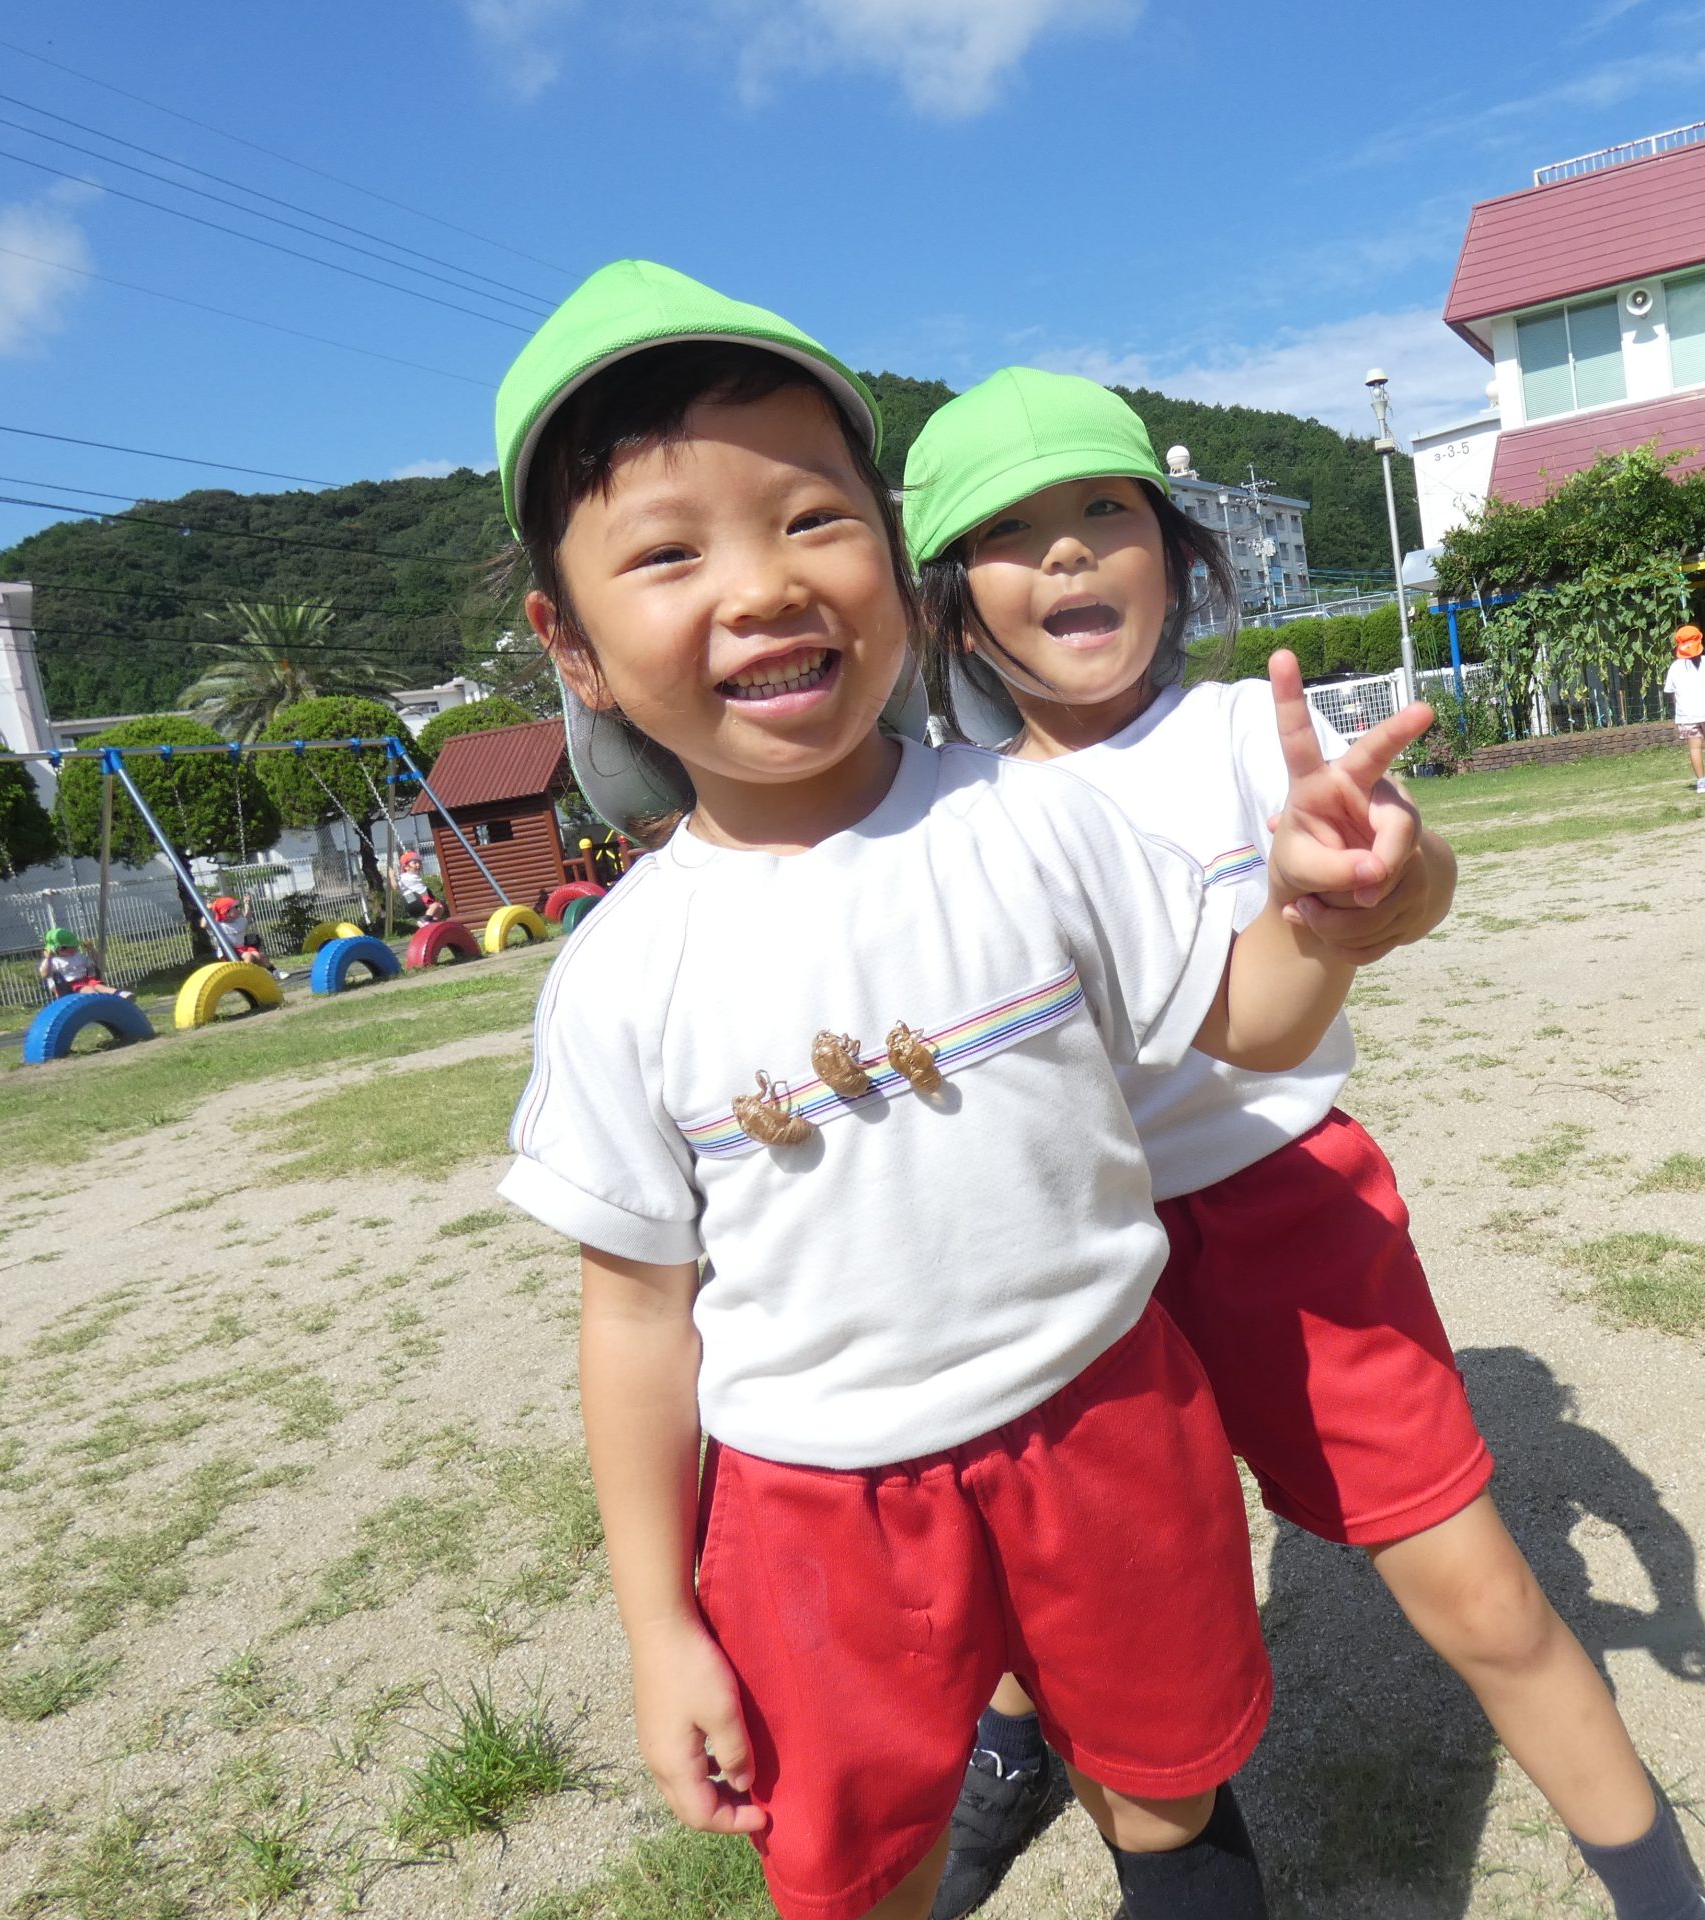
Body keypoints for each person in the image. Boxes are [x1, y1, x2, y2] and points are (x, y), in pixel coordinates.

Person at [490, 262, 1426, 1920]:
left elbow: (1249, 1020)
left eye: (809, 519)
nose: (764, 587)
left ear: (892, 561)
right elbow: (636, 1318)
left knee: (1168, 1787)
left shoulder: (1037, 823)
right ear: (569, 641)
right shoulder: (620, 976)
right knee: (865, 1861)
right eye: (667, 553)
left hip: (1109, 1413)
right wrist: (660, 1625)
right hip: (813, 1508)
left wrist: (1318, 914)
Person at [906, 367, 1705, 1920]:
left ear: (1179, 549)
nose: (1073, 554)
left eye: (1106, 513)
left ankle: (1672, 1901)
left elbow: (1406, 885)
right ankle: (1016, 1751)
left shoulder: (1249, 737)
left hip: (1289, 1219)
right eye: (1013, 536)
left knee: (1488, 1599)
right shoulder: (944, 812)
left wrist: (1380, 882)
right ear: (956, 607)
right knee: (1068, 1606)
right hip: (1071, 1262)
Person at [1664, 626, 1705, 794]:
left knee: (1694, 748)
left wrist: (1678, 709)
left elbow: (1671, 692)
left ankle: (1701, 782)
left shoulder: (1675, 667)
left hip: (1685, 715)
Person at [38, 927, 129, 1000]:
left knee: (98, 985)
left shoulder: (78, 956)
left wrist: (91, 949)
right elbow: (44, 974)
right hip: (69, 986)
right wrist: (48, 958)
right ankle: (101, 1000)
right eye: (69, 948)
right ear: (59, 949)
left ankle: (119, 994)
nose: (74, 949)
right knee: (90, 990)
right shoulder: (54, 961)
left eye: (74, 947)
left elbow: (97, 962)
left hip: (85, 980)